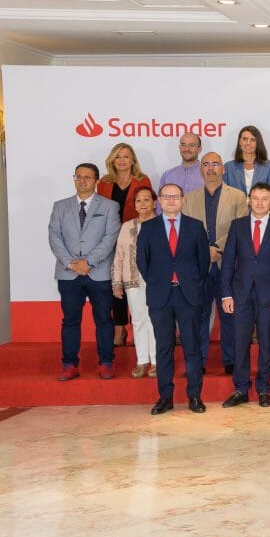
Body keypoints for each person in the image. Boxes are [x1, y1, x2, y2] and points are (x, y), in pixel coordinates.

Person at [136, 183, 210, 415]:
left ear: (182, 199)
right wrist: (161, 281)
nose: (170, 200)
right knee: (164, 348)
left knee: (192, 348)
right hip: (161, 296)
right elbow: (142, 262)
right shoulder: (148, 228)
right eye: (166, 196)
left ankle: (195, 396)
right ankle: (165, 397)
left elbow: (203, 262)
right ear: (159, 200)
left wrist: (190, 283)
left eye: (175, 196)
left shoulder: (195, 227)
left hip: (188, 295)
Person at [220, 183, 270, 408]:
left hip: (269, 296)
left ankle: (263, 388)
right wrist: (226, 294)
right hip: (240, 294)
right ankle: (240, 388)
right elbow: (228, 262)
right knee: (240, 342)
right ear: (249, 200)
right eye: (256, 198)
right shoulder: (237, 226)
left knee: (266, 342)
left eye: (264, 198)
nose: (260, 202)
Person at [48, 162, 120, 381]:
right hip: (68, 274)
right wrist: (71, 263)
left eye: (88, 177)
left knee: (104, 320)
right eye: (78, 176)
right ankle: (69, 364)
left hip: (99, 273)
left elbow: (110, 237)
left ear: (97, 180)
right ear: (74, 178)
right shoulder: (60, 206)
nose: (82, 180)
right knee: (70, 320)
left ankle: (106, 363)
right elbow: (54, 237)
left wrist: (88, 261)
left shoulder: (109, 206)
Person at [181, 152, 248, 374]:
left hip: (228, 265)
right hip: (198, 267)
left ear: (223, 169)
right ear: (201, 169)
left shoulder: (238, 196)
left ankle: (230, 360)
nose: (211, 168)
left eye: (215, 164)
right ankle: (198, 362)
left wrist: (216, 248)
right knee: (198, 315)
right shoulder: (188, 198)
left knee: (229, 314)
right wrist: (204, 250)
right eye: (206, 164)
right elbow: (185, 231)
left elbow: (240, 228)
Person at [96, 142, 153, 347]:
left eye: (126, 156)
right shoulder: (104, 183)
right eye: (118, 156)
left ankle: (143, 328)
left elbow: (147, 208)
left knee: (137, 283)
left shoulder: (142, 180)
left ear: (133, 160)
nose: (122, 160)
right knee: (116, 283)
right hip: (109, 238)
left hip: (135, 236)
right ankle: (119, 330)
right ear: (112, 159)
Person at [111, 186, 158, 378]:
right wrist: (116, 282)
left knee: (155, 320)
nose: (143, 204)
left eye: (147, 200)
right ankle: (142, 361)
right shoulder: (127, 226)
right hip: (132, 280)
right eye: (139, 201)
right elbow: (119, 255)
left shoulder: (162, 225)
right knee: (138, 320)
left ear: (155, 202)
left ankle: (156, 361)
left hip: (157, 281)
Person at [223, 125, 270, 196]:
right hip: (235, 207)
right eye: (245, 139)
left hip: (261, 206)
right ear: (239, 142)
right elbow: (224, 194)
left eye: (253, 140)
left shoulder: (269, 167)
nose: (248, 143)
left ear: (258, 143)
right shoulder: (228, 167)